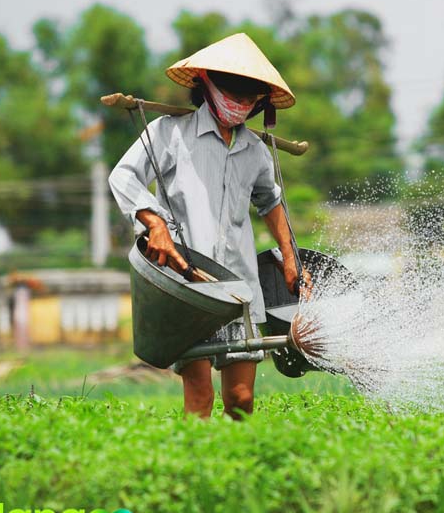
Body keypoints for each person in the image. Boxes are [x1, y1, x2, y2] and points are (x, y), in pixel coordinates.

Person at [109, 33, 310, 419]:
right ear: (206, 83)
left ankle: (237, 469)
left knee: (241, 401)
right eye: (232, 92)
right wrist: (154, 223)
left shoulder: (254, 150)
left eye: (249, 98)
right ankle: (195, 467)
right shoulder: (170, 134)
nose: (239, 103)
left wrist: (290, 257)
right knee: (199, 399)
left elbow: (270, 201)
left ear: (259, 104)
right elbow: (124, 177)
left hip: (238, 288)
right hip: (187, 285)